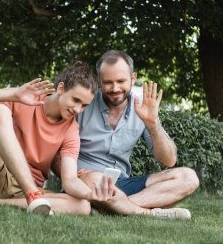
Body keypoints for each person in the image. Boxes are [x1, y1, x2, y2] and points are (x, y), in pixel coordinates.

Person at [52, 50, 199, 219]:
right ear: (99, 81)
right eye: (108, 82)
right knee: (95, 178)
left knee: (188, 177)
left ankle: (114, 207)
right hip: (87, 182)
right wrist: (73, 175)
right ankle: (145, 212)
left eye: (121, 81)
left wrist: (153, 124)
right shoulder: (82, 104)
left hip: (124, 184)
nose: (115, 88)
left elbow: (169, 160)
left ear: (133, 79)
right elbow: (55, 153)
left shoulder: (142, 108)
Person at [0, 62, 116, 216]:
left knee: (82, 206)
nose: (77, 109)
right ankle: (32, 195)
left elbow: (70, 180)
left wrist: (91, 194)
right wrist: (14, 95)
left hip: (20, 192)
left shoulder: (71, 130)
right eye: (75, 100)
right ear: (61, 88)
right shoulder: (27, 97)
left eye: (84, 105)